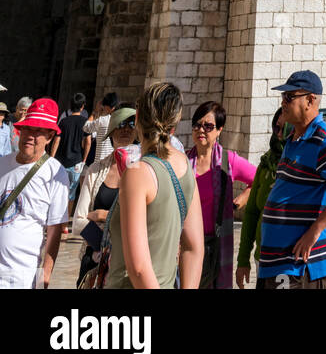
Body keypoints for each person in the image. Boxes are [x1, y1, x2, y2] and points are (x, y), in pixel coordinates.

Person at [257, 70, 326, 290]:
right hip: (278, 264)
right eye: (283, 98)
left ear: (310, 100)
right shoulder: (293, 139)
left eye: (289, 97)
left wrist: (316, 229)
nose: (283, 103)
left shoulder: (322, 139)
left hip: (300, 267)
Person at [104, 81, 204, 290]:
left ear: (138, 117)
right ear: (175, 121)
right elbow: (194, 248)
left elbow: (138, 268)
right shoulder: (185, 165)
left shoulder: (137, 174)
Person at [0, 97, 69, 289]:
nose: (31, 135)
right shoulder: (2, 164)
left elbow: (54, 230)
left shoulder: (56, 173)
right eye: (28, 128)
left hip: (19, 278)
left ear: (49, 137)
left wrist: (44, 276)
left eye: (39, 131)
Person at [188, 100, 256, 289]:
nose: (201, 130)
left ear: (219, 130)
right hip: (187, 244)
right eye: (197, 125)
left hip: (217, 243)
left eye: (208, 126)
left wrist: (241, 200)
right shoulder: (183, 162)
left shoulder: (228, 161)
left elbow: (259, 179)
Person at [72, 105, 137, 287]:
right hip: (95, 260)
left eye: (131, 124)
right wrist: (109, 245)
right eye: (120, 124)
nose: (125, 129)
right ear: (111, 132)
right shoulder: (95, 170)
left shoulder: (145, 171)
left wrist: (103, 216)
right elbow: (78, 222)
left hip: (129, 264)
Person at [236, 108, 287, 289]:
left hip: (286, 260)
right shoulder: (266, 163)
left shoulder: (301, 164)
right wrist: (243, 259)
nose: (279, 134)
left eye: (285, 129)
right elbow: (251, 213)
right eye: (276, 128)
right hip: (263, 256)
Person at [51, 92, 91, 231]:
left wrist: (51, 157)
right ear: (82, 107)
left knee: (58, 192)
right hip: (76, 162)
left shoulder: (63, 121)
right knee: (71, 194)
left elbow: (57, 140)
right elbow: (88, 142)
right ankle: (65, 224)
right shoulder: (85, 122)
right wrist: (84, 159)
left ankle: (55, 221)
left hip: (61, 162)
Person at [83, 92, 119, 167]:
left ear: (106, 106)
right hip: (113, 162)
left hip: (100, 161)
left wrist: (94, 112)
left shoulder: (102, 120)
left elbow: (86, 127)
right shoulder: (118, 120)